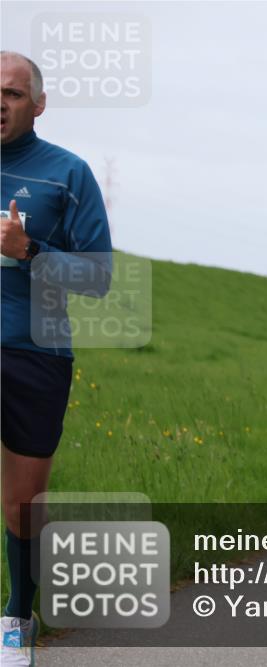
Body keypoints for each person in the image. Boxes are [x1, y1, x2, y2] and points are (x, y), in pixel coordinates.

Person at [1, 51, 113, 666]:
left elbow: (97, 276)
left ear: (38, 104)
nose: (1, 101)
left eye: (13, 94)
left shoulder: (68, 174)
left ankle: (18, 620)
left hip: (35, 355)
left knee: (23, 505)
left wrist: (30, 249)